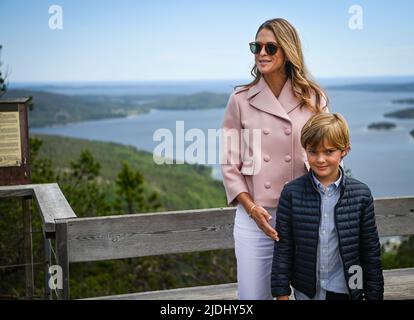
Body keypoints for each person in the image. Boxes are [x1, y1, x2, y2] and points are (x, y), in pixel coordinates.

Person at [221, 18, 328, 300]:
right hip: (256, 217)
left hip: (306, 214)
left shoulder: (314, 99)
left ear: (288, 50)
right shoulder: (240, 99)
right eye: (257, 46)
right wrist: (252, 209)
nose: (262, 53)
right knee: (254, 295)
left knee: (310, 293)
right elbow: (230, 164)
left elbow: (327, 154)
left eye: (271, 47)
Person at [271, 113, 384, 300]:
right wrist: (281, 293)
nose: (320, 159)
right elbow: (284, 247)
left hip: (347, 291)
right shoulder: (291, 193)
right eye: (313, 151)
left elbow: (370, 250)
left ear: (345, 150)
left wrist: (374, 295)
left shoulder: (361, 194)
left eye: (329, 151)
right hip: (305, 291)